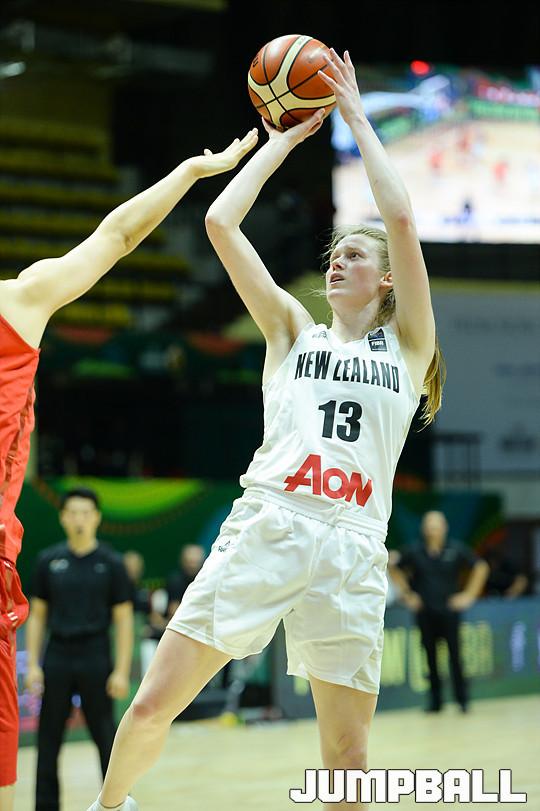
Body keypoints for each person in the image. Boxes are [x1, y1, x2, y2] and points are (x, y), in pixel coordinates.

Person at [88, 49, 445, 811]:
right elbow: (220, 222)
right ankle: (108, 805)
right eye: (334, 254)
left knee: (349, 755)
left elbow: (402, 219)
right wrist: (282, 140)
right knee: (153, 703)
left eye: (355, 255)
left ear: (386, 279)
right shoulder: (291, 329)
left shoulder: (410, 347)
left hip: (354, 542)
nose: (338, 262)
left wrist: (356, 116)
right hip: (272, 521)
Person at [0, 130, 257, 811]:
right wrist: (189, 171)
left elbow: (116, 235)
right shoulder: (19, 302)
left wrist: (189, 171)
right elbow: (114, 237)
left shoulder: (18, 301)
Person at [24, 488, 133, 811]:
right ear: (62, 518)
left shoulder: (111, 563)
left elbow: (124, 619)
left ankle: (114, 805)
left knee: (106, 737)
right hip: (58, 655)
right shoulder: (48, 561)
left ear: (97, 518)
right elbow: (37, 616)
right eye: (72, 513)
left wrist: (121, 670)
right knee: (48, 739)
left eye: (86, 513)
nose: (79, 519)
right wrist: (33, 665)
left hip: (96, 655)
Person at [389, 510, 489, 713]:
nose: (432, 530)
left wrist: (469, 595)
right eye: (429, 526)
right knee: (430, 657)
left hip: (449, 611)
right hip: (425, 611)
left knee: (455, 655)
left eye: (436, 526)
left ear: (444, 528)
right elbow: (393, 567)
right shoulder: (415, 551)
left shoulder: (456, 549)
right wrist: (407, 594)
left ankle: (462, 700)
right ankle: (436, 702)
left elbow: (480, 567)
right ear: (424, 529)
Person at [165, 544, 205, 618]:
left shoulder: (205, 580)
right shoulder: (175, 580)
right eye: (190, 562)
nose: (192, 566)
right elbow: (173, 610)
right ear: (183, 562)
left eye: (195, 562)